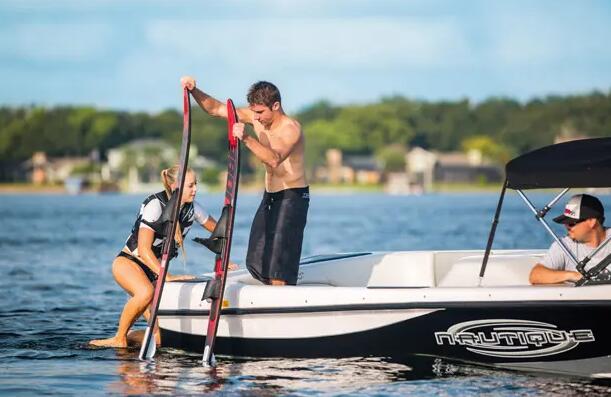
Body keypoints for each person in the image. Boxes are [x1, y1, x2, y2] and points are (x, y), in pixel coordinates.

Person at [181, 76, 309, 286]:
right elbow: (216, 109)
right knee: (257, 260)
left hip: (292, 198)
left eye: (260, 112)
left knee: (278, 263)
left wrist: (247, 138)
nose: (256, 118)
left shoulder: (290, 128)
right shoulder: (255, 116)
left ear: (275, 105)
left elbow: (274, 159)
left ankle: (280, 298)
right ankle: (273, 297)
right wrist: (194, 90)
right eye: (254, 112)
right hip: (270, 197)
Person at [90, 165, 232, 348]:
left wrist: (224, 257)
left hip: (155, 272)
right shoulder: (155, 205)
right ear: (175, 187)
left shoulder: (193, 208)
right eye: (191, 185)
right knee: (145, 292)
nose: (195, 189)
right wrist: (167, 276)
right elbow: (143, 249)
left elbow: (220, 232)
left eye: (196, 184)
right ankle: (119, 337)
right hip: (130, 263)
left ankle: (129, 340)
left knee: (159, 339)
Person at [529, 194, 611, 285]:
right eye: (565, 222)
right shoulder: (565, 246)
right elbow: (535, 275)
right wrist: (573, 276)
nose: (566, 226)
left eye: (571, 223)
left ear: (592, 221)